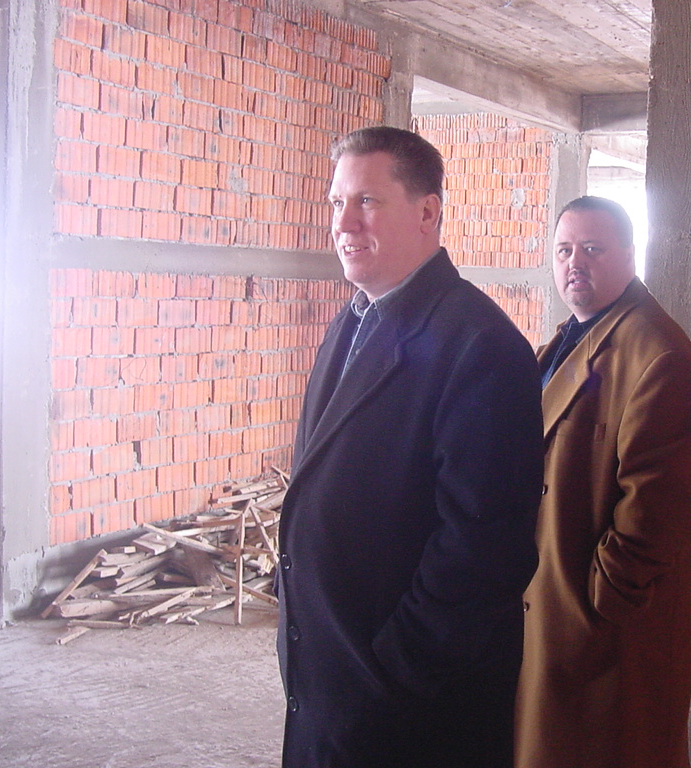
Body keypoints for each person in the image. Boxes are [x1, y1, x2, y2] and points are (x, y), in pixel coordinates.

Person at [276, 126, 544, 768]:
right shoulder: (354, 319)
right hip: (332, 681)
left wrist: (391, 674)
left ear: (428, 212)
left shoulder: (480, 346)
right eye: (336, 202)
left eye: (367, 202)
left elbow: (484, 551)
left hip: (408, 712)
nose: (344, 222)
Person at [515, 196, 691, 768]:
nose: (576, 262)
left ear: (630, 254)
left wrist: (600, 599)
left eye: (594, 249)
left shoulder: (658, 354)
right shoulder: (571, 337)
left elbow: (660, 511)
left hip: (600, 623)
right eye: (565, 250)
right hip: (555, 605)